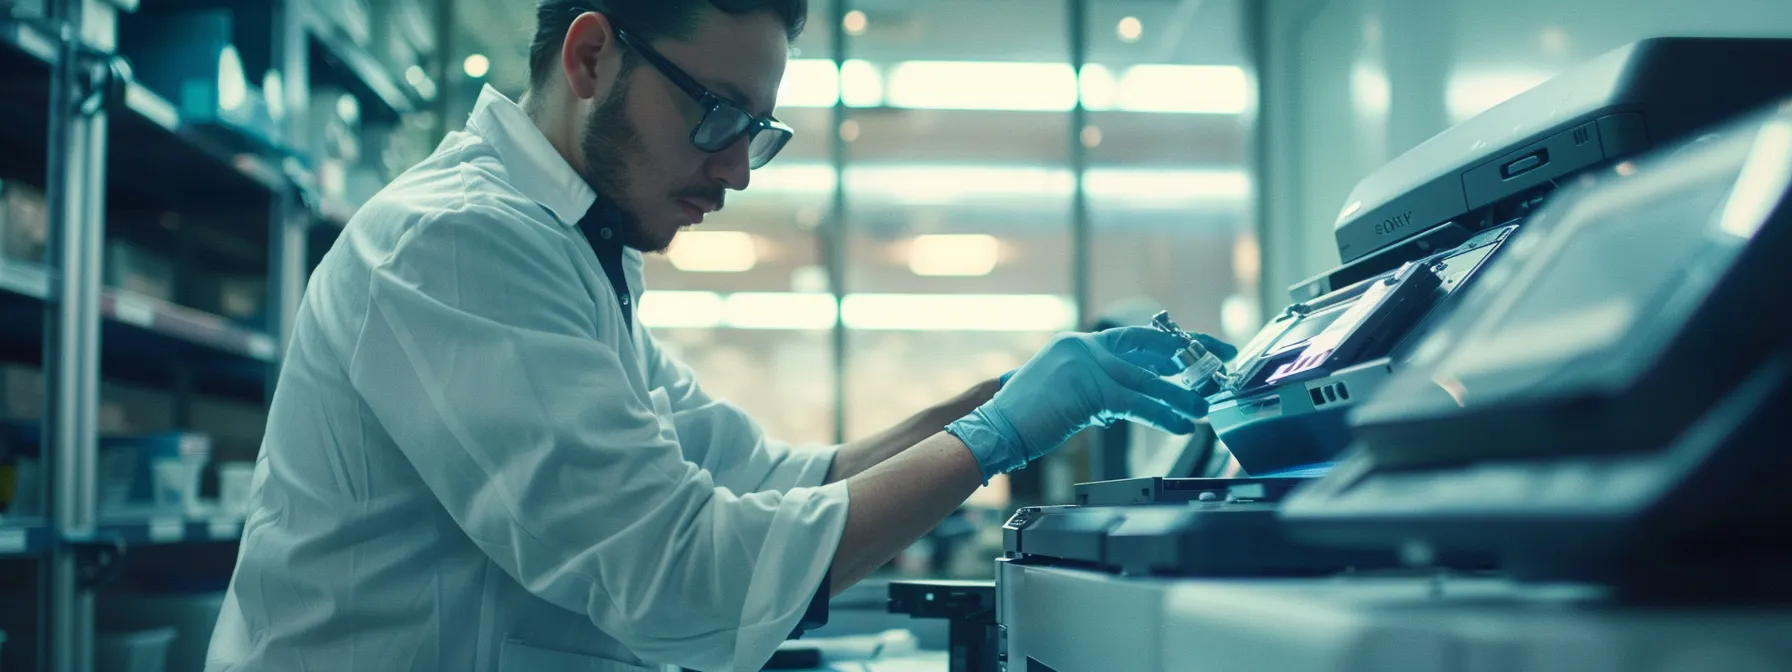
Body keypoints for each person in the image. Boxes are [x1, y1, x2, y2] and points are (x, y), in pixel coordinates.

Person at [205, 1, 1234, 670]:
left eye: (757, 132)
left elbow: (772, 475)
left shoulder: (572, 253)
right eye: (716, 116)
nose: (738, 170)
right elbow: (683, 574)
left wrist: (992, 402)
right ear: (593, 56)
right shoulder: (462, 243)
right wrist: (999, 436)